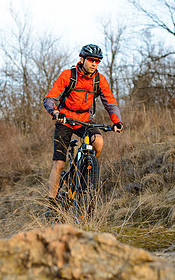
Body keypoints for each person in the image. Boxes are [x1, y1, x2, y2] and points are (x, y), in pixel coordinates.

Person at [43, 44, 123, 218]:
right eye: (91, 60)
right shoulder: (68, 75)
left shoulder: (99, 80)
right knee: (59, 163)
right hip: (65, 120)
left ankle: (88, 170)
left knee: (99, 142)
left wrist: (116, 121)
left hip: (84, 120)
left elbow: (110, 102)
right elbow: (50, 97)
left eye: (97, 61)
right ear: (82, 59)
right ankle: (52, 202)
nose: (94, 64)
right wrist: (55, 112)